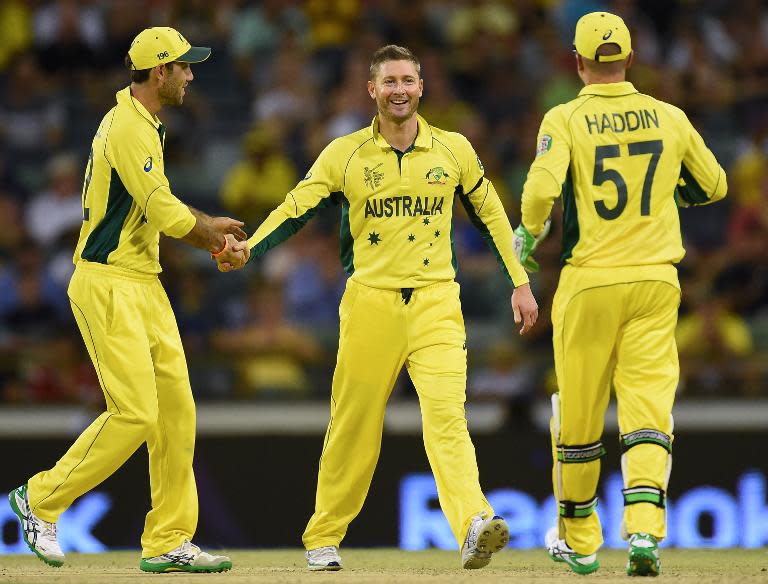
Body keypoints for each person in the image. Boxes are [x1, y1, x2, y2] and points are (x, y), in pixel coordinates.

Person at [217, 45, 538, 571]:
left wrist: (520, 282)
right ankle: (323, 536)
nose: (399, 90)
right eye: (389, 81)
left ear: (421, 86)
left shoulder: (453, 149)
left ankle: (474, 522)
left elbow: (492, 216)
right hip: (370, 302)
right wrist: (251, 248)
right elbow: (297, 206)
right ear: (372, 90)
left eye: (408, 80)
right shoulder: (344, 153)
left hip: (437, 300)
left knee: (446, 418)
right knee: (354, 424)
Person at [8, 27, 249, 573]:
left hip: (143, 280)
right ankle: (39, 499)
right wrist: (215, 235)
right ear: (159, 72)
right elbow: (164, 212)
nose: (191, 74)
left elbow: (157, 209)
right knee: (136, 413)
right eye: (184, 66)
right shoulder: (126, 127)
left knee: (175, 413)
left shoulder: (144, 124)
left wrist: (211, 235)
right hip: (106, 281)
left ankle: (168, 539)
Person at [513, 12, 727, 576]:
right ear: (630, 59)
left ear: (577, 61)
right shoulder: (669, 116)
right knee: (649, 412)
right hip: (657, 281)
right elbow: (713, 185)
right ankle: (645, 539)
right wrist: (663, 199)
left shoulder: (565, 117)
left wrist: (526, 237)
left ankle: (581, 541)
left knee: (581, 416)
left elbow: (538, 194)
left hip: (589, 282)